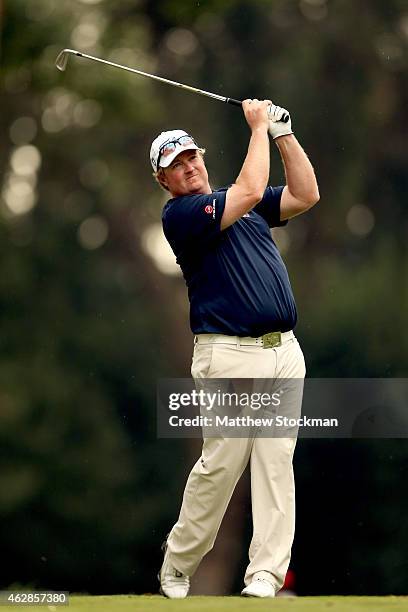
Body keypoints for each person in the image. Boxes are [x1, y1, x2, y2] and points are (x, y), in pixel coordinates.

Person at [150, 99, 320, 598]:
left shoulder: (239, 204)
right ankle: (178, 564)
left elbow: (305, 194)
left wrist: (284, 133)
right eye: (175, 166)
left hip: (283, 351)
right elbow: (248, 191)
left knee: (274, 460)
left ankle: (266, 573)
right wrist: (258, 129)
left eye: (191, 158)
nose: (188, 168)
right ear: (164, 181)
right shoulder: (182, 215)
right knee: (222, 463)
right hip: (227, 354)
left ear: (202, 158)